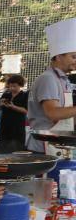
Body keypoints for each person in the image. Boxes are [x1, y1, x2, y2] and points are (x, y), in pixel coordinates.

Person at [27, 17, 76, 153]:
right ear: (58, 56)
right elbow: (53, 113)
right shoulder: (48, 79)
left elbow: (68, 114)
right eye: (73, 57)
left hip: (58, 144)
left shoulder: (64, 80)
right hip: (44, 146)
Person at [0, 74, 28, 152]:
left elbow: (26, 111)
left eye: (14, 86)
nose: (12, 88)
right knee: (3, 149)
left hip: (17, 127)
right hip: (4, 126)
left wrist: (13, 107)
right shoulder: (6, 95)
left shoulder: (24, 95)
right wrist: (0, 105)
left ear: (20, 85)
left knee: (17, 149)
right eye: (10, 86)